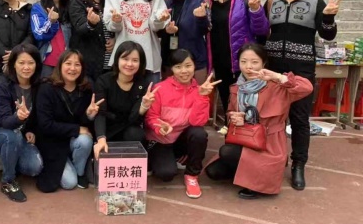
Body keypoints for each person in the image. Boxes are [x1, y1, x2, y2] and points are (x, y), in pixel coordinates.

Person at [264, 0, 341, 190]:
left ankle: (298, 164)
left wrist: (328, 17)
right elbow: (261, 30)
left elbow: (328, 35)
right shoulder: (272, 1)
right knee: (273, 116)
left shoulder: (315, 1)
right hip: (274, 67)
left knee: (299, 118)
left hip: (302, 69)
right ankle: (274, 158)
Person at [205, 43, 314, 199]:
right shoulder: (237, 87)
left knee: (226, 152)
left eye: (254, 62)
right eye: (243, 62)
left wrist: (278, 76)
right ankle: (247, 172)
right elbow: (230, 112)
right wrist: (235, 118)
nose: (248, 67)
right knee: (213, 172)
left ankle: (257, 181)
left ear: (263, 63)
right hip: (245, 138)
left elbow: (307, 88)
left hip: (269, 144)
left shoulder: (277, 86)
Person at [204, 0, 269, 132]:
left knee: (246, 106)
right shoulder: (207, 0)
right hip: (219, 62)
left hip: (242, 64)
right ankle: (231, 139)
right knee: (228, 105)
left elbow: (262, 30)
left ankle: (248, 141)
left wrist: (255, 9)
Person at [145, 49, 218, 199]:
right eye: (178, 67)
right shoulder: (160, 89)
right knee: (165, 174)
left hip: (182, 139)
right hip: (161, 140)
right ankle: (169, 158)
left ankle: (192, 175)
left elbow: (198, 122)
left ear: (194, 66)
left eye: (188, 66)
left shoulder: (200, 90)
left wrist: (202, 97)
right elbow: (151, 117)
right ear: (171, 69)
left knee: (199, 133)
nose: (184, 71)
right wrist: (160, 127)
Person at [35, 50, 100, 192]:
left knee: (85, 140)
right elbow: (45, 125)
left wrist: (89, 115)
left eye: (77, 64)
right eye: (68, 63)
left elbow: (84, 122)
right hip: (52, 142)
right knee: (69, 183)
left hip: (72, 140)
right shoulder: (47, 88)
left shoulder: (85, 89)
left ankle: (80, 172)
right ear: (60, 65)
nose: (72, 68)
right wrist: (77, 129)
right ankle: (62, 164)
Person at [104, 0, 169, 85]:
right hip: (124, 59)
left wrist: (160, 19)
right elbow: (111, 26)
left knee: (150, 96)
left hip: (149, 57)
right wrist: (116, 21)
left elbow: (155, 26)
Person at [0, 44, 44, 202]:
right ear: (13, 64)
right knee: (11, 136)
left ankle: (8, 158)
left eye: (31, 62)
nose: (26, 67)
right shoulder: (2, 84)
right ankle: (8, 181)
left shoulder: (39, 85)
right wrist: (18, 117)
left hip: (21, 134)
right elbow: (4, 121)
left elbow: (37, 115)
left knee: (34, 168)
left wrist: (31, 130)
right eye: (21, 63)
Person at [92, 41, 153, 160]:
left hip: (128, 129)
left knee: (136, 133)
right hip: (106, 129)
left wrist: (143, 106)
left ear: (140, 63)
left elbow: (134, 119)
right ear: (117, 60)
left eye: (135, 60)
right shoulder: (104, 81)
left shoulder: (143, 84)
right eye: (125, 59)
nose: (129, 64)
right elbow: (100, 113)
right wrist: (101, 138)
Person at [160, 0, 209, 84]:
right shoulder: (163, 3)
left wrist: (201, 18)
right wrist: (166, 31)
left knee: (197, 94)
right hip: (170, 63)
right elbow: (155, 31)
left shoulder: (200, 2)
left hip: (194, 63)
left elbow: (206, 29)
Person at [69, 0, 116, 84]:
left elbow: (117, 25)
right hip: (89, 66)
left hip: (111, 63)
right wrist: (91, 24)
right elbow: (80, 28)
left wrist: (115, 38)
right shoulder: (77, 2)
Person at [31, 0, 72, 77]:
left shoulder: (72, 5)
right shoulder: (38, 8)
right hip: (47, 62)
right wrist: (50, 22)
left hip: (69, 62)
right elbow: (39, 34)